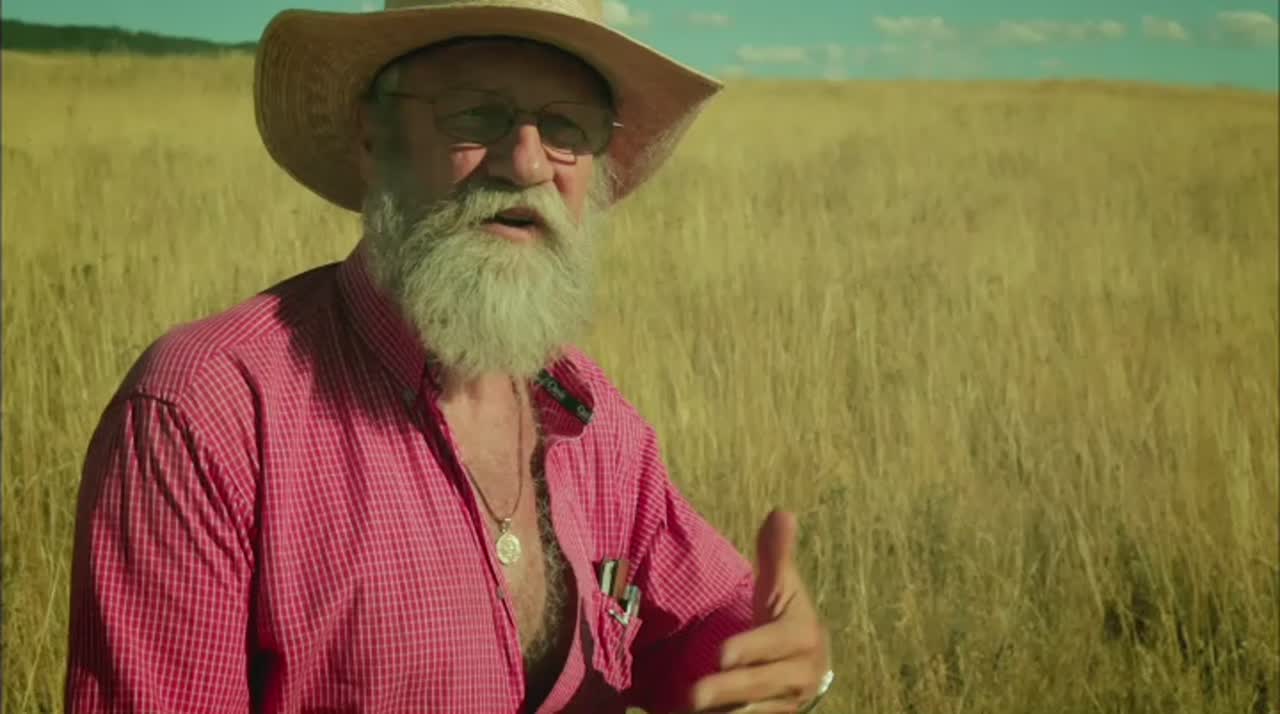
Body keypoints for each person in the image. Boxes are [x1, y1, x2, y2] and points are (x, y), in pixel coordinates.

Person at [63, 1, 834, 712]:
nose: (527, 163)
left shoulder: (591, 421)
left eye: (566, 126)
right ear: (374, 137)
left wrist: (778, 651)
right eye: (476, 113)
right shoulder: (208, 417)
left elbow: (698, 622)